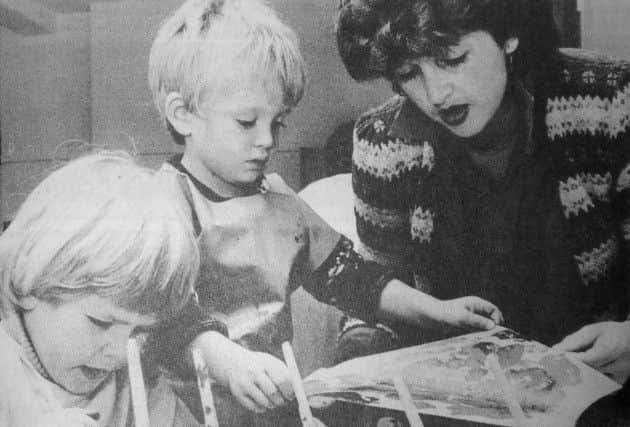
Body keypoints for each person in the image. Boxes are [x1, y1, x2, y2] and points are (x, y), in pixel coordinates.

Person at [146, 0, 503, 425]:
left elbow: (355, 280)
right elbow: (165, 325)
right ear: (182, 114)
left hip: (275, 410)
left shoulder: (277, 201)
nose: (267, 141)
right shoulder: (162, 206)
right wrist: (230, 363)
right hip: (187, 412)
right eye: (247, 122)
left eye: (277, 123)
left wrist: (437, 311)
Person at [335, 0, 630, 383]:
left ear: (509, 35)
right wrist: (360, 353)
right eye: (410, 73)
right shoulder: (382, 143)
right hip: (457, 401)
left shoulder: (612, 101)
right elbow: (380, 293)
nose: (436, 94)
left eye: (452, 59)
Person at [0, 151, 213, 427]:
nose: (120, 351)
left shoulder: (138, 383)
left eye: (139, 331)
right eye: (101, 322)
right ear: (29, 284)